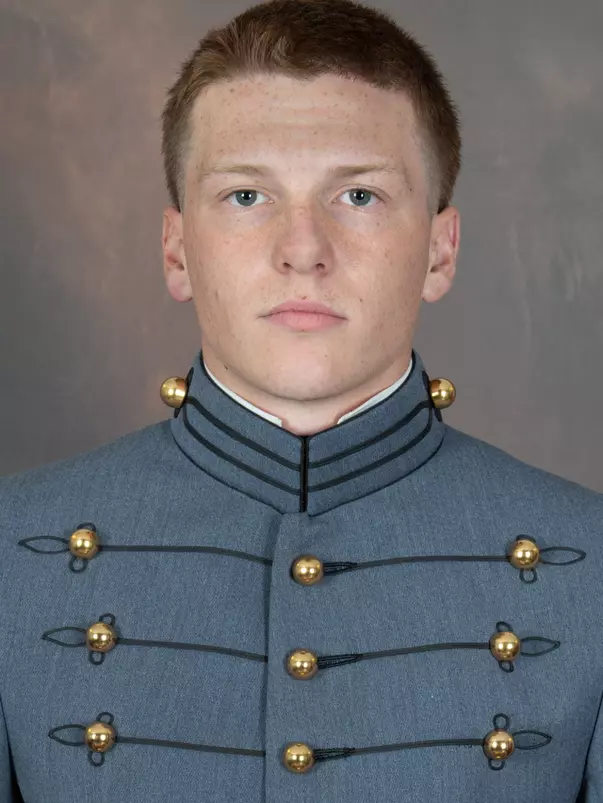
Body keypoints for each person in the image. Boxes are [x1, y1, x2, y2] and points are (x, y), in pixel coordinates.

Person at [1, 0, 602, 800]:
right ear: (177, 250)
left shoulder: (589, 564)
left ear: (439, 250)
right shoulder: (12, 552)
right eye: (247, 196)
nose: (303, 251)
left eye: (357, 196)